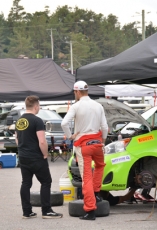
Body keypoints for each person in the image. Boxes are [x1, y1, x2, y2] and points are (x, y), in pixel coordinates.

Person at [61, 80, 108, 221]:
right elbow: (104, 127)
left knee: (86, 176)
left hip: (83, 145)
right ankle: (96, 192)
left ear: (77, 92)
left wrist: (70, 136)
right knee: (100, 166)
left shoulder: (76, 106)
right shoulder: (98, 105)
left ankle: (90, 210)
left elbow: (64, 123)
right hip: (97, 143)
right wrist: (103, 141)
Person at [15, 95, 63, 219]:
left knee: (26, 183)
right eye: (39, 106)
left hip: (23, 156)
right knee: (46, 182)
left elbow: (17, 139)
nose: (39, 108)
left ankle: (27, 211)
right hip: (35, 156)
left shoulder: (19, 120)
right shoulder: (37, 120)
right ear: (36, 106)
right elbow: (42, 141)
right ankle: (46, 211)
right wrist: (45, 154)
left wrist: (22, 149)